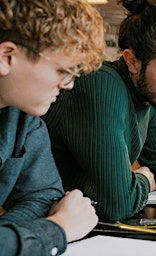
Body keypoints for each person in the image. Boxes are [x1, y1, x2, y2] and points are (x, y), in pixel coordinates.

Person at [43, 0, 156, 222]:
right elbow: (117, 203)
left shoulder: (149, 94)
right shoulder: (100, 84)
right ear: (132, 62)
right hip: (51, 226)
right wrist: (143, 180)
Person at [0, 0, 105, 254]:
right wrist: (57, 228)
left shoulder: (25, 118)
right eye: (62, 70)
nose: (67, 84)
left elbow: (43, 197)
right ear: (7, 57)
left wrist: (11, 241)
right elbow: (52, 216)